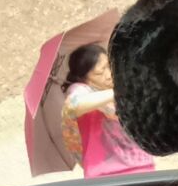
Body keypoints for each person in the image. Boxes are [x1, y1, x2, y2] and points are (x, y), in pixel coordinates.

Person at [60, 43, 156, 178]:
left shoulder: (123, 83)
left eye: (108, 65)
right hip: (105, 175)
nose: (108, 74)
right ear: (84, 77)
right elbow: (73, 105)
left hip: (143, 168)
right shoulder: (80, 90)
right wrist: (117, 93)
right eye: (99, 72)